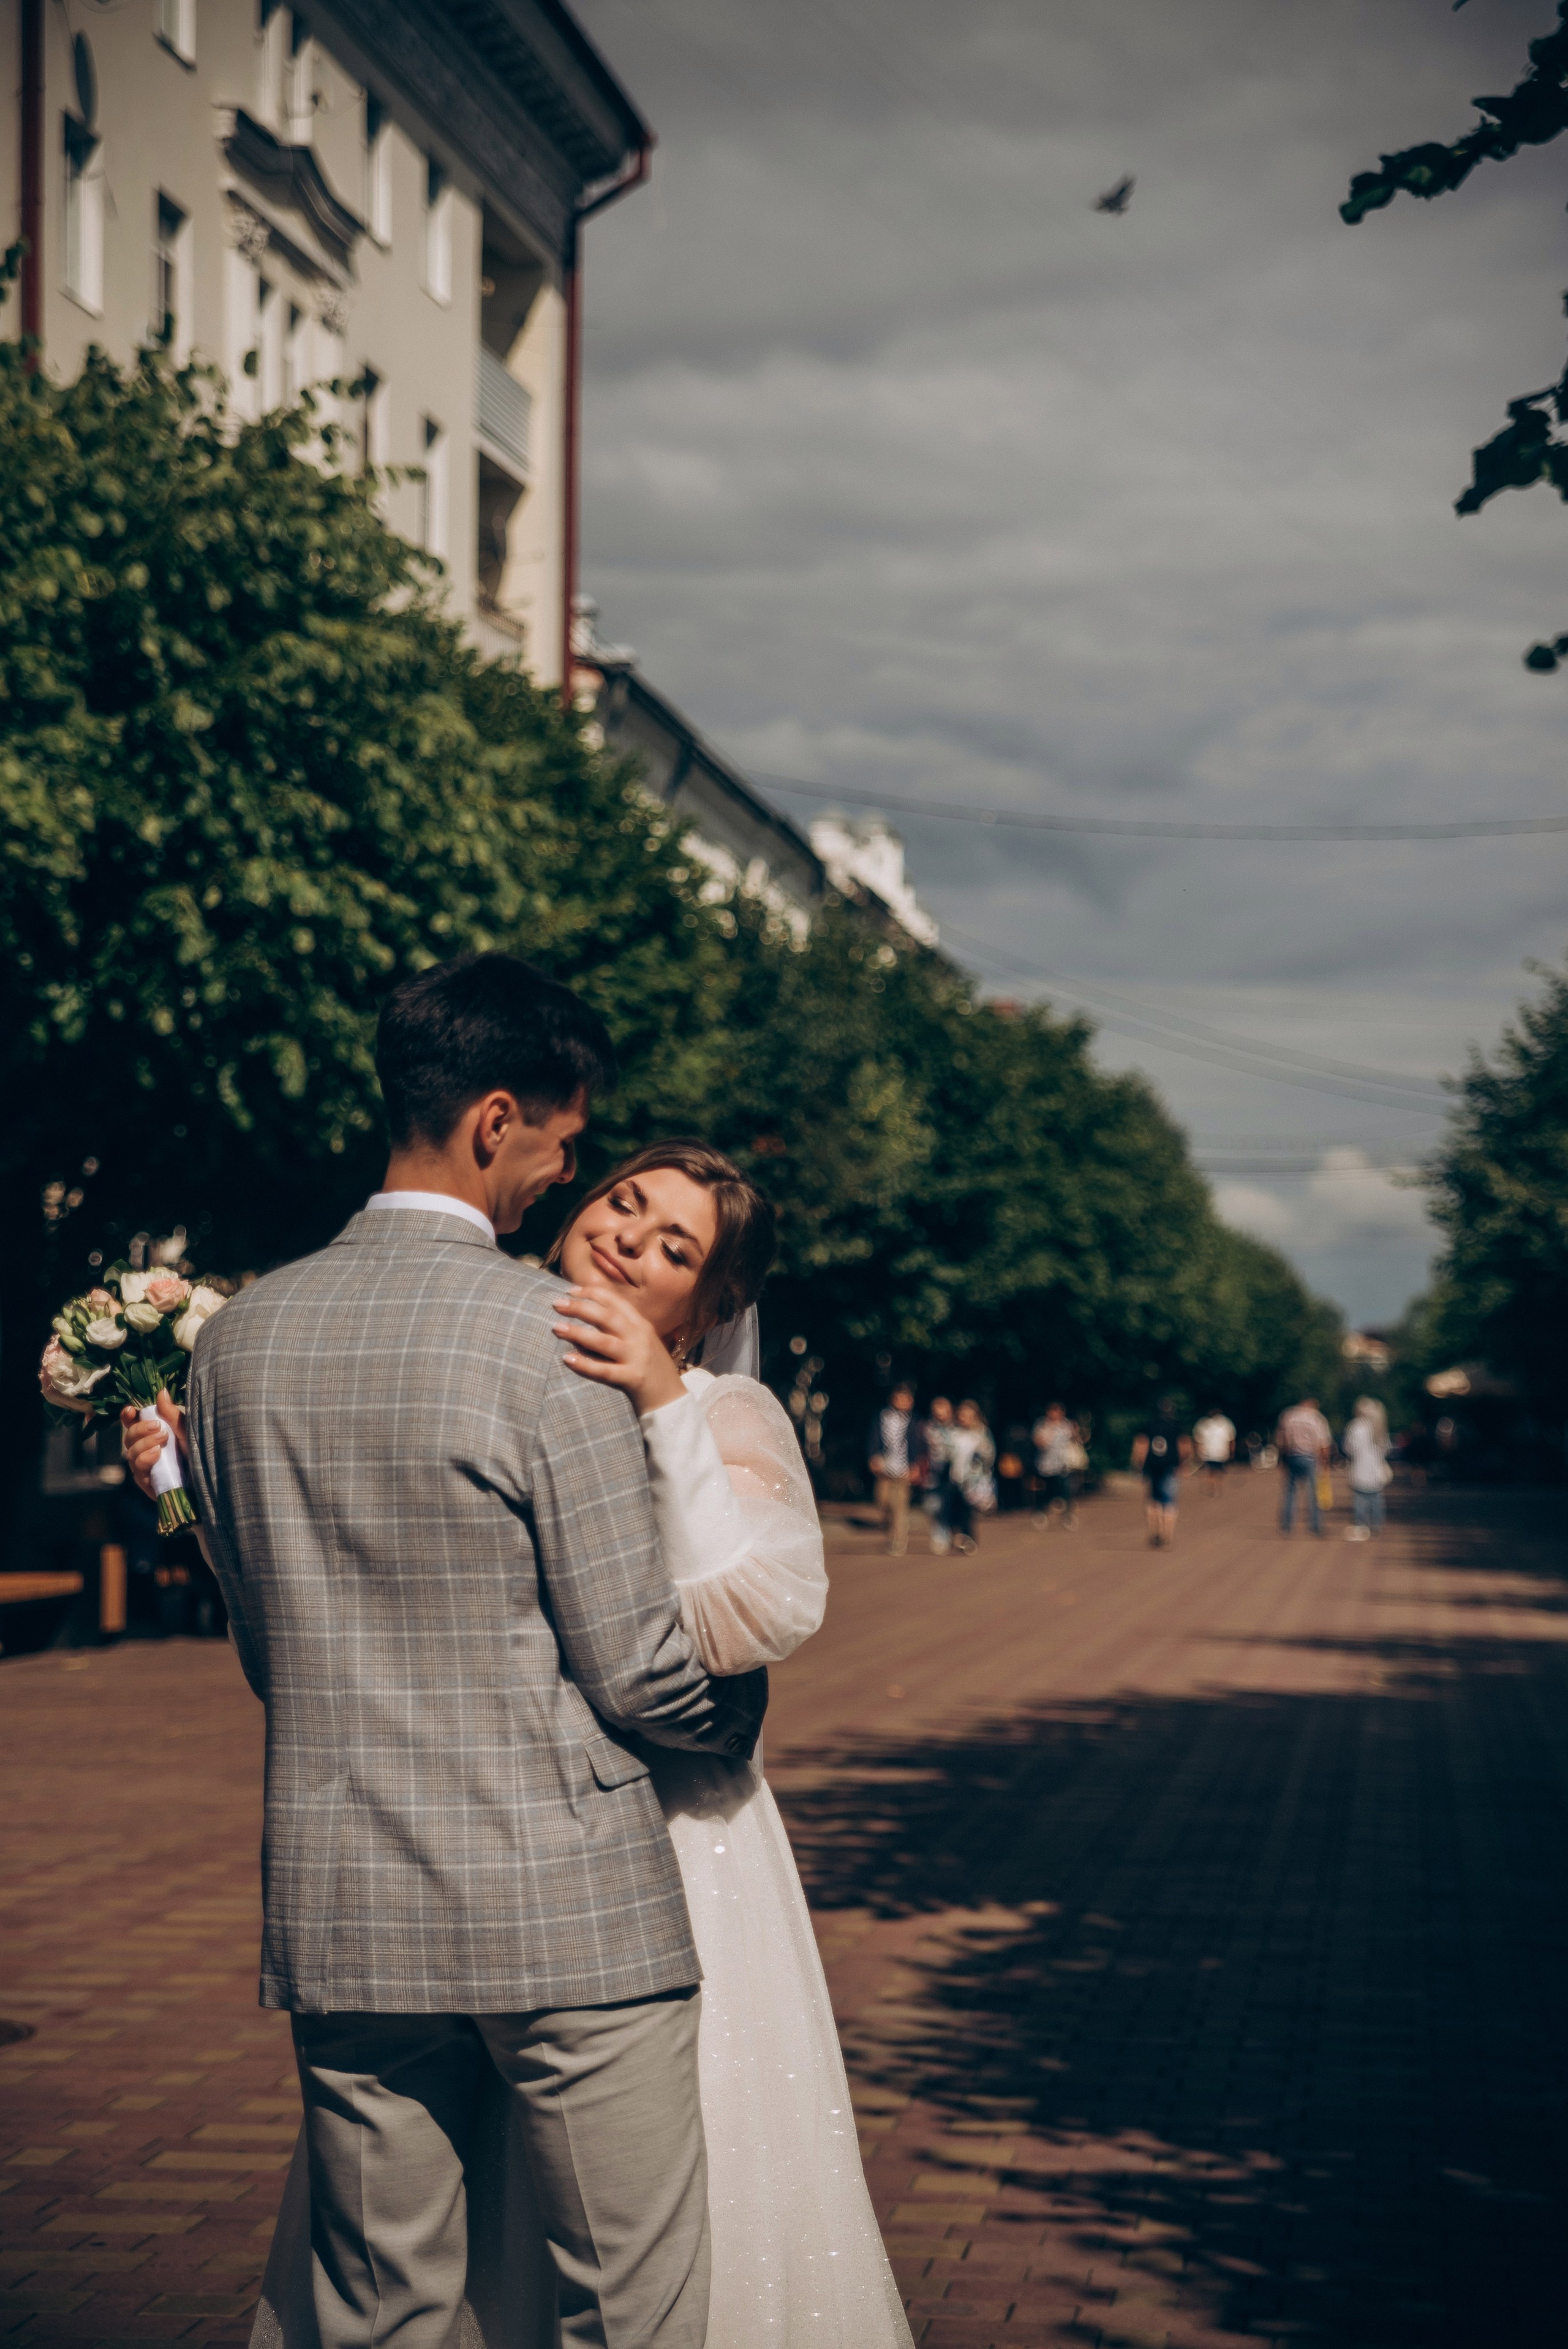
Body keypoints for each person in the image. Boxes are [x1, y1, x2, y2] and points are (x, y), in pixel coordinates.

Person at [123, 954, 772, 2349]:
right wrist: (739, 1704)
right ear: (493, 1119)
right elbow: (638, 1667)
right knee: (629, 2313)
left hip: (346, 1911)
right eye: (561, 1141)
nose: (561, 1173)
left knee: (379, 2315)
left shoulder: (239, 1342)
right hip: (568, 1920)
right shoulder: (554, 1340)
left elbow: (268, 1649)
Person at [1132, 1401, 1190, 1547]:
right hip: (1171, 1467)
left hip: (1152, 1467)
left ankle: (1155, 1532)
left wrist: (1140, 1465)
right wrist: (1183, 1464)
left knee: (1153, 1501)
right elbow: (1185, 1446)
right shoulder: (1177, 1426)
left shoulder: (1149, 1426)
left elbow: (1141, 1445)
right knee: (1170, 1502)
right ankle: (1168, 1535)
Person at [942, 1398, 996, 1555]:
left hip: (973, 1481)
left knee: (967, 1512)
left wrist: (981, 1454)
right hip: (955, 1478)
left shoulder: (982, 1433)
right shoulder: (953, 1433)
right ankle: (958, 1537)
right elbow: (945, 1454)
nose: (964, 1419)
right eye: (962, 1415)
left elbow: (989, 1456)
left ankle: (969, 1539)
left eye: (968, 1416)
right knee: (952, 1510)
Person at [868, 1382, 916, 1555]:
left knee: (899, 1505)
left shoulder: (914, 1421)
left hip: (904, 1469)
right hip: (885, 1468)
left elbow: (918, 1445)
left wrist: (915, 1465)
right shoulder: (882, 1417)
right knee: (883, 1500)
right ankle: (895, 1525)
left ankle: (898, 1539)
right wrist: (873, 1457)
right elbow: (873, 1438)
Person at [1276, 1393, 1333, 1536]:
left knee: (1290, 1492)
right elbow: (1324, 1444)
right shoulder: (1317, 1418)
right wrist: (1326, 1463)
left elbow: (1282, 1441)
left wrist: (1283, 1460)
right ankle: (1316, 1526)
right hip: (1310, 1458)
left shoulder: (1289, 1415)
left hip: (1293, 1456)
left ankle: (1287, 1526)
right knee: (1314, 1493)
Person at [1342, 1395, 1392, 1541]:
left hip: (1360, 1468)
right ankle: (1377, 1524)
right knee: (1376, 1498)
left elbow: (1349, 1448)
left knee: (1360, 1499)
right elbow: (1386, 1448)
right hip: (1376, 1470)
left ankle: (1361, 1526)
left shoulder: (1356, 1426)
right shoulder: (1379, 1426)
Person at [917, 1394, 956, 1555]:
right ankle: (939, 1535)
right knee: (932, 1506)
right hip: (933, 1474)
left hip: (953, 1474)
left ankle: (949, 1533)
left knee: (948, 1506)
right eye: (937, 1410)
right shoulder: (926, 1429)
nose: (940, 1414)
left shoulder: (957, 1429)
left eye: (943, 1410)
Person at [1031, 1402, 1080, 1528]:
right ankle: (1041, 1513)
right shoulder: (1042, 1425)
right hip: (1045, 1466)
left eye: (1057, 1412)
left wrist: (1077, 1432)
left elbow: (1076, 1440)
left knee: (1066, 1491)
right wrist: (1050, 1433)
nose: (1054, 1414)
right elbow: (1039, 1442)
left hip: (1063, 1465)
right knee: (1044, 1492)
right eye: (1052, 1411)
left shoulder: (1066, 1426)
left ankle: (1067, 1517)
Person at [1192, 1406, 1235, 1496]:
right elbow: (1232, 1439)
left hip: (1216, 1453)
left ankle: (1215, 1488)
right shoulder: (1225, 1423)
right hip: (1214, 1453)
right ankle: (1215, 1488)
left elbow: (1198, 1439)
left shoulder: (1206, 1423)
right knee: (1215, 1471)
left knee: (1214, 1472)